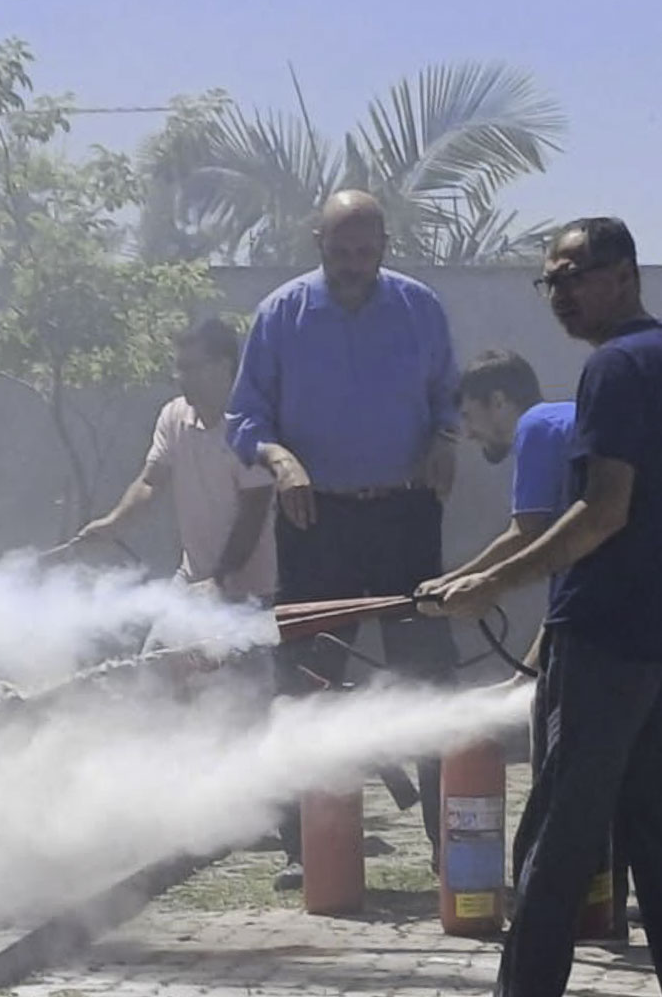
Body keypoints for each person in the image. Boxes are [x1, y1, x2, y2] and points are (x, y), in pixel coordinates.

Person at [432, 217, 662, 997]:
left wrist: (492, 585)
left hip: (606, 638)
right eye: (550, 281)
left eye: (573, 275)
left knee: (561, 834)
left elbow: (604, 512)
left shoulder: (614, 368)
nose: (559, 294)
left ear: (625, 274)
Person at [226, 189, 463, 890]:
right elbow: (244, 418)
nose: (354, 264)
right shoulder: (280, 314)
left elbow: (450, 396)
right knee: (306, 681)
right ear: (317, 242)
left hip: (404, 518)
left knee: (429, 680)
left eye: (367, 251)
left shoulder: (420, 308)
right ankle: (311, 849)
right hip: (315, 519)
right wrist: (280, 459)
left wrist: (444, 436)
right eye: (341, 251)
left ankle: (451, 848)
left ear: (384, 246)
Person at [74, 318, 277, 694]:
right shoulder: (174, 416)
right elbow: (152, 480)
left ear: (223, 367)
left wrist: (219, 581)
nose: (179, 376)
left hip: (251, 591)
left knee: (247, 694)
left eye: (190, 367)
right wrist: (113, 524)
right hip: (191, 580)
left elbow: (254, 509)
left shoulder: (251, 425)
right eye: (178, 366)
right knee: (155, 669)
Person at [416, 348, 575, 677]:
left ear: (499, 401)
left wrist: (451, 583)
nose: (469, 432)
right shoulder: (563, 421)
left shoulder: (536, 427)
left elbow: (524, 534)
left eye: (469, 415)